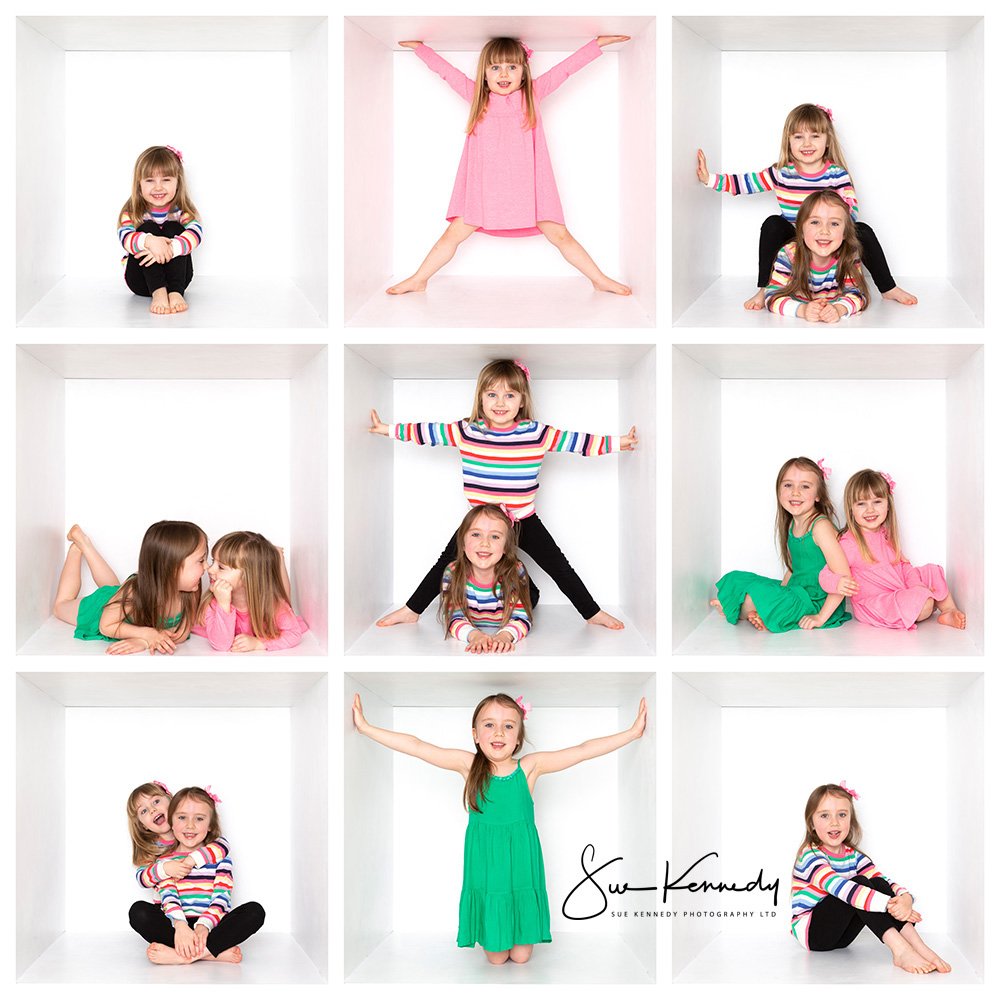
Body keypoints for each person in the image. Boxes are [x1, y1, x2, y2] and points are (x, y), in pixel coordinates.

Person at [353, 692, 646, 963]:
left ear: (518, 737)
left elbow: (582, 750)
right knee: (496, 958)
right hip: (487, 862)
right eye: (489, 725)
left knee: (521, 957)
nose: (498, 733)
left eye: (508, 726)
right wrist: (366, 727)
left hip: (520, 860)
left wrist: (632, 733)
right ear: (475, 734)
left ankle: (516, 929)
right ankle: (494, 931)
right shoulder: (468, 765)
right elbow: (417, 746)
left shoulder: (529, 767)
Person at [387, 36, 631, 295]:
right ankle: (419, 279)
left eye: (512, 67)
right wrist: (421, 49)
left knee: (560, 236)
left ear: (524, 73)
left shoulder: (533, 94)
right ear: (484, 74)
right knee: (452, 235)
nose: (504, 73)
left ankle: (599, 279)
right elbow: (446, 73)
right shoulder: (476, 97)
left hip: (531, 190)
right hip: (485, 192)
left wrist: (597, 44)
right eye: (495, 67)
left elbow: (567, 69)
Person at [697, 103, 916, 310]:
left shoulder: (836, 174)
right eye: (799, 137)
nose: (807, 143)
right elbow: (745, 183)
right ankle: (765, 289)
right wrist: (710, 179)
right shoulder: (782, 172)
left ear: (827, 140)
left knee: (864, 231)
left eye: (815, 136)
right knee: (772, 224)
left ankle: (888, 288)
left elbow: (851, 207)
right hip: (796, 240)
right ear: (788, 141)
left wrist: (833, 229)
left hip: (827, 236)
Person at [791, 782, 950, 973]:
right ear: (812, 824)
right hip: (815, 934)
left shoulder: (854, 855)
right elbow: (838, 887)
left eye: (842, 815)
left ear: (851, 820)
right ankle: (900, 950)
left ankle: (919, 947)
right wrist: (888, 904)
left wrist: (905, 900)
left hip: (843, 937)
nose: (834, 822)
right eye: (825, 815)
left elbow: (883, 881)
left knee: (876, 883)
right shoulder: (811, 855)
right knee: (858, 885)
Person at [819, 469, 966, 629]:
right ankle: (926, 601)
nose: (870, 510)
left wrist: (916, 586)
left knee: (932, 572)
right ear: (851, 510)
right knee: (926, 602)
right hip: (876, 602)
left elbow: (903, 566)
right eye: (861, 504)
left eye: (877, 502)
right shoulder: (849, 543)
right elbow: (825, 573)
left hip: (899, 587)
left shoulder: (886, 534)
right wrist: (837, 582)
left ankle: (948, 610)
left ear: (888, 505)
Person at [53, 521, 207, 654]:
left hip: (119, 601)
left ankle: (86, 545)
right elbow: (106, 625)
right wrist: (147, 634)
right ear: (171, 569)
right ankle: (77, 549)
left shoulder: (190, 591)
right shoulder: (134, 593)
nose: (207, 567)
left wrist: (145, 641)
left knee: (113, 588)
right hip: (100, 609)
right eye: (201, 561)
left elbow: (181, 633)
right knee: (60, 607)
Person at [118, 145, 203, 314]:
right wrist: (150, 242)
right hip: (141, 280)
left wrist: (169, 247)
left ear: (177, 182)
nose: (158, 187)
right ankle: (158, 292)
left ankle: (175, 293)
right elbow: (126, 238)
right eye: (150, 180)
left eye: (166, 180)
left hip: (178, 280)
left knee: (175, 228)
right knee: (147, 228)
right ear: (139, 185)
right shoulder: (133, 213)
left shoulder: (181, 211)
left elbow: (196, 232)